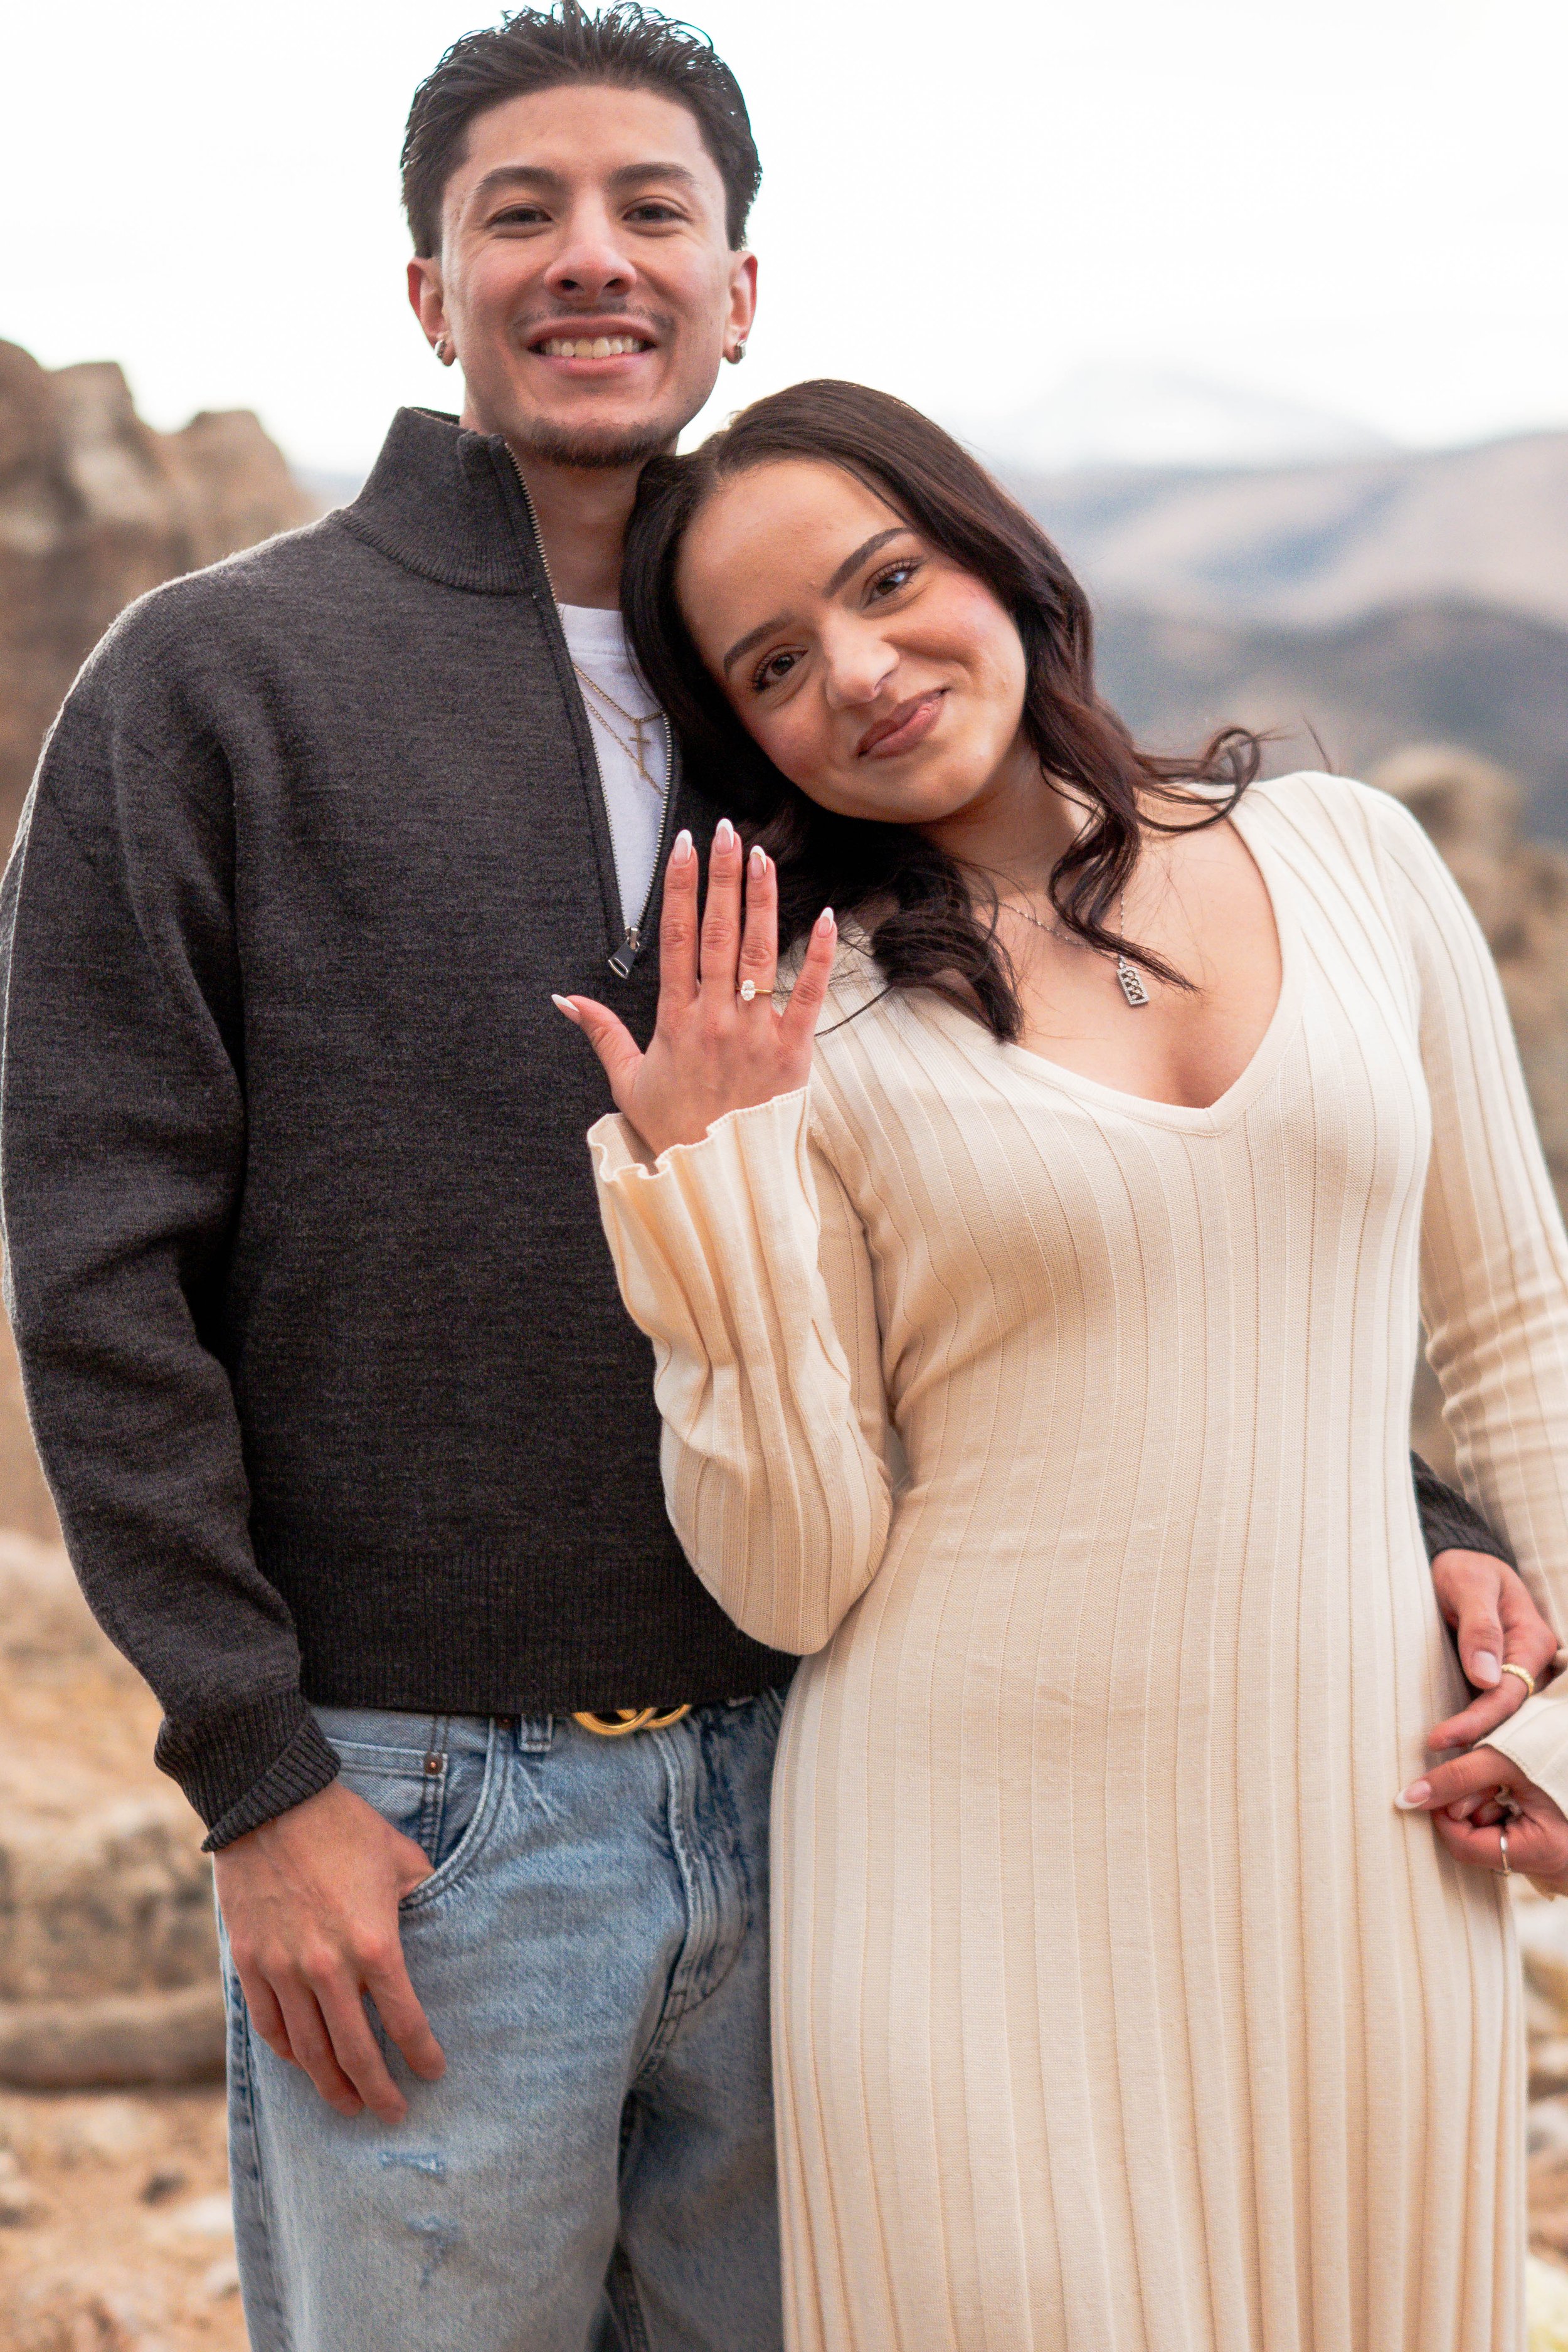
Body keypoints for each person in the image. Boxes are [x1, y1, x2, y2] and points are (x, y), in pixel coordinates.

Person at [0, 7, 1538, 2346]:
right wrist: (256, 1773)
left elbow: (1115, 1232)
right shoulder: (219, 681)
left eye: (651, 210)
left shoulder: (817, 765)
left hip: (828, 1776)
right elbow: (99, 1261)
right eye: (519, 213)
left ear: (742, 284)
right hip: (433, 1809)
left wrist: (1416, 1527)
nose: (589, 258)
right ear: (428, 290)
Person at [561, 378, 1568, 2351]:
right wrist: (711, 1181)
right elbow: (790, 1571)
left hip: (1365, 1857)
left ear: (993, 551)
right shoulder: (811, 1037)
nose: (858, 671)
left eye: (886, 580)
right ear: (735, 733)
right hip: (965, 1887)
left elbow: (1514, 1326)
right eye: (775, 662)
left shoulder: (1351, 857)